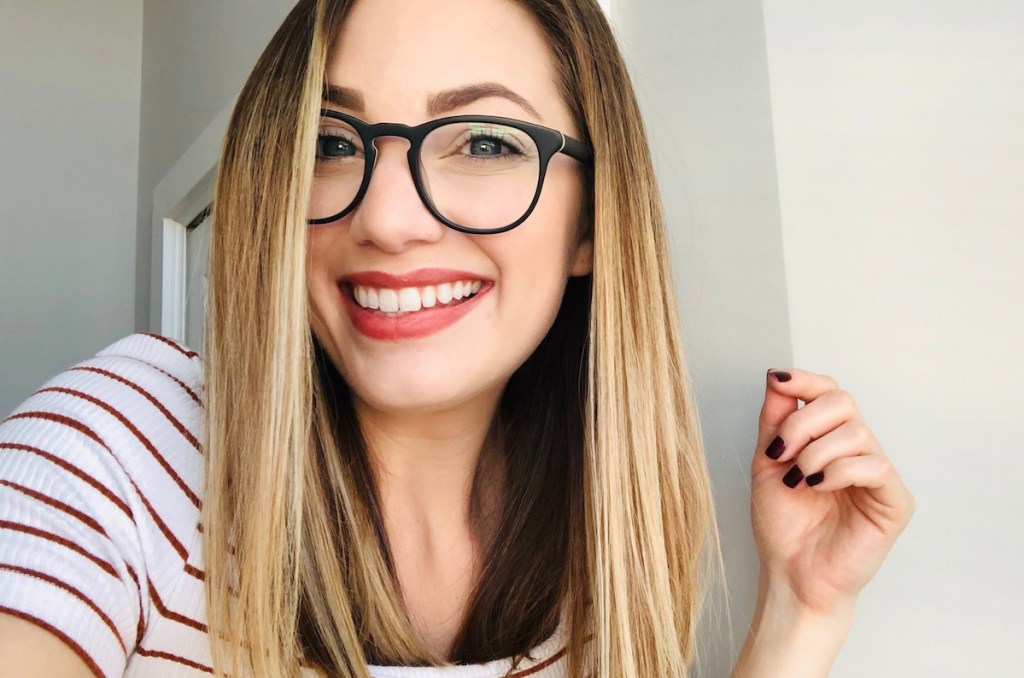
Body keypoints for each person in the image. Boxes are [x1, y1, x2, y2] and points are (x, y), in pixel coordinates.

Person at [0, 0, 915, 676]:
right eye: (329, 140)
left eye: (484, 142)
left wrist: (801, 611)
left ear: (593, 220)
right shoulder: (130, 444)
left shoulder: (594, 558)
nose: (390, 220)